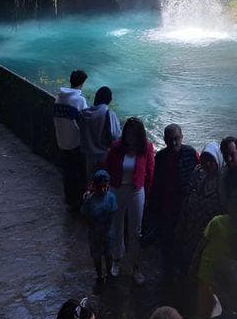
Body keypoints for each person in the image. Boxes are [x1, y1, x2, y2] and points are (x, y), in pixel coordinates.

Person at [105, 117, 154, 285]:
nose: (130, 137)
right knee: (116, 226)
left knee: (136, 230)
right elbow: (108, 168)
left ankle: (135, 266)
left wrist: (146, 195)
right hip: (116, 189)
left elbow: (150, 173)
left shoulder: (146, 148)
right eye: (128, 133)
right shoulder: (116, 147)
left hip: (136, 190)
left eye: (134, 134)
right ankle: (117, 259)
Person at [148, 123, 198, 268]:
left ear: (182, 137)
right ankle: (168, 267)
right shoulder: (161, 157)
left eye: (176, 139)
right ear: (165, 140)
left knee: (184, 237)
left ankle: (181, 267)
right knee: (167, 237)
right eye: (170, 139)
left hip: (185, 203)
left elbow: (199, 175)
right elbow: (156, 183)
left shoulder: (190, 153)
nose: (174, 143)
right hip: (167, 204)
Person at [175, 142, 224, 274]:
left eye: (211, 161)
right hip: (191, 223)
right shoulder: (198, 172)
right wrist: (182, 220)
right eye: (205, 160)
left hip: (208, 229)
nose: (207, 164)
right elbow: (188, 194)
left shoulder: (223, 181)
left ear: (218, 160)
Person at [54, 70, 88, 211]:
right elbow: (86, 120)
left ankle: (68, 198)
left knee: (67, 172)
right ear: (81, 83)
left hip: (61, 140)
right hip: (76, 142)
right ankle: (78, 201)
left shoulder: (58, 98)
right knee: (78, 173)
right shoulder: (79, 100)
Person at [81, 169, 118, 286]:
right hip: (95, 232)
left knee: (108, 254)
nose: (103, 189)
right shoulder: (89, 200)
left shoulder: (111, 197)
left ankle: (108, 273)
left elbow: (112, 215)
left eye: (105, 186)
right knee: (96, 256)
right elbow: (85, 216)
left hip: (107, 231)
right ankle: (99, 275)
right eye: (100, 186)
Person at [78, 87, 122, 180]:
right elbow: (116, 136)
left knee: (89, 180)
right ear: (109, 100)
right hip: (104, 156)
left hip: (88, 155)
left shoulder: (84, 113)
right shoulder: (109, 114)